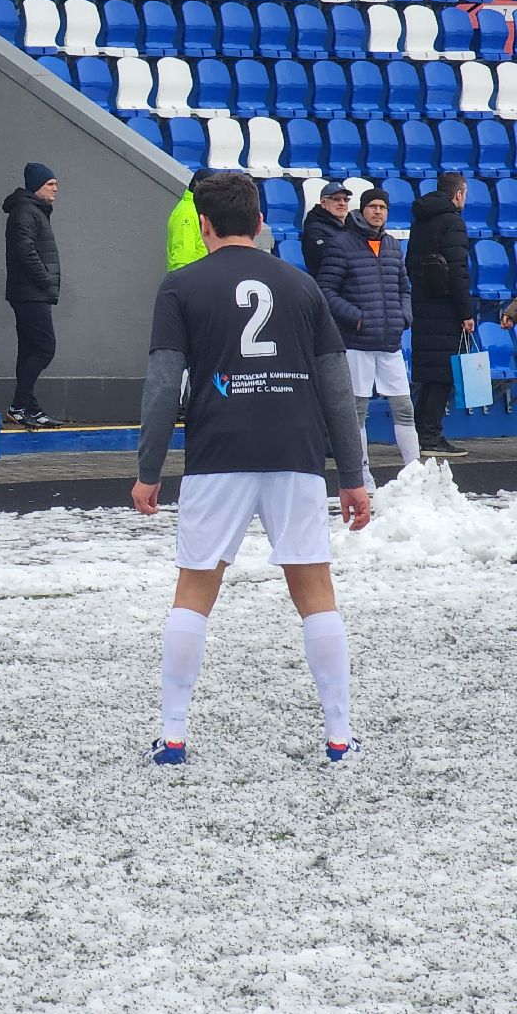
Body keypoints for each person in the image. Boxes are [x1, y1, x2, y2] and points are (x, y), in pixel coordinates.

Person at [132, 172, 371, 766]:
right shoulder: (302, 286)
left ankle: (174, 735)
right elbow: (337, 390)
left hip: (218, 455)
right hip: (297, 453)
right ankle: (339, 737)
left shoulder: (179, 287)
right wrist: (353, 476)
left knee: (194, 589)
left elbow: (165, 385)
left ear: (204, 225)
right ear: (260, 221)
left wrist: (149, 469)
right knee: (315, 590)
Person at [316, 187, 418, 490]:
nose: (378, 212)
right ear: (363, 210)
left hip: (389, 343)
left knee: (403, 407)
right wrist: (356, 317)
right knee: (357, 411)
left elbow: (404, 288)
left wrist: (404, 316)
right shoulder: (342, 244)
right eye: (372, 206)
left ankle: (415, 474)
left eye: (383, 207)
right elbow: (326, 290)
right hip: (357, 343)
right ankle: (361, 473)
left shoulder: (392, 246)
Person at [407, 172, 475, 459]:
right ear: (458, 194)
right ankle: (431, 435)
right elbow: (458, 271)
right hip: (446, 308)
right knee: (443, 374)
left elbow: (410, 262)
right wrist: (466, 312)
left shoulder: (420, 220)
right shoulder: (453, 222)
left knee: (430, 373)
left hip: (422, 303)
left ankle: (423, 432)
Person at [2, 162, 64, 429]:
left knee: (28, 350)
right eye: (50, 184)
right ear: (37, 186)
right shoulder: (26, 212)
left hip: (30, 292)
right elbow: (25, 252)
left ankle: (30, 407)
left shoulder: (33, 211)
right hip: (30, 293)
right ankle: (18, 405)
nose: (56, 189)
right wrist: (46, 280)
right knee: (43, 348)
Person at [166, 168, 216, 273]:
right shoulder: (186, 213)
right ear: (198, 185)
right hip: (191, 283)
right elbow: (182, 260)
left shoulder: (198, 209)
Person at [300, 181, 351, 277]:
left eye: (345, 199)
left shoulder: (353, 224)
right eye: (336, 199)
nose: (342, 203)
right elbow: (330, 257)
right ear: (323, 202)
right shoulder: (314, 229)